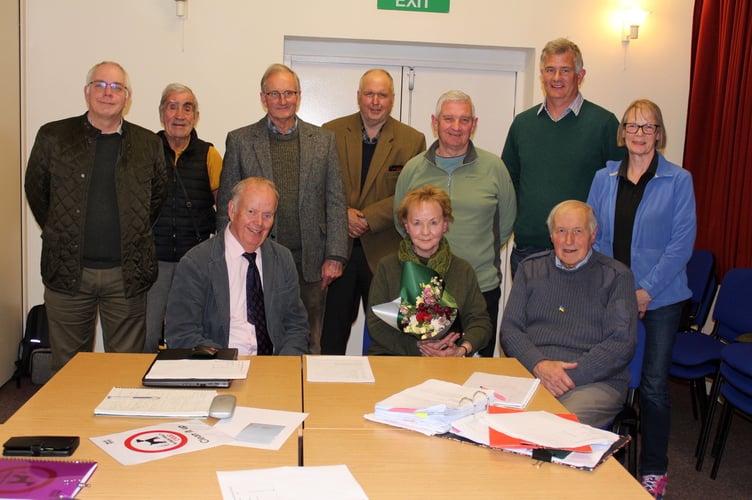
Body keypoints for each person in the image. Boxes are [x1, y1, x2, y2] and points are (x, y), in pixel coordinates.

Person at [24, 61, 167, 373]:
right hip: (68, 272)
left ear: (127, 97)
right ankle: (70, 422)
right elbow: (36, 191)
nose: (108, 93)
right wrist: (59, 230)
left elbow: (156, 197)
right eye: (100, 85)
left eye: (116, 87)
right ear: (87, 92)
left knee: (126, 368)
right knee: (68, 369)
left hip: (127, 274)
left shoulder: (148, 144)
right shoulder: (54, 137)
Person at [587, 99, 696, 499]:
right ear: (623, 133)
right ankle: (595, 455)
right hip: (612, 295)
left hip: (662, 299)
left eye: (648, 127)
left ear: (659, 134)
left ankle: (654, 470)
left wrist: (645, 291)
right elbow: (591, 233)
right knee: (603, 375)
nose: (639, 134)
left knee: (651, 386)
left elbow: (681, 244)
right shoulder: (604, 178)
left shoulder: (678, 180)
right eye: (632, 126)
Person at [217, 63, 348, 354]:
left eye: (288, 92)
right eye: (274, 93)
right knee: (256, 337)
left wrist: (335, 255)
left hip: (309, 263)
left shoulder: (324, 141)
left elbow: (336, 200)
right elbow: (227, 204)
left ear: (299, 96)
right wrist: (223, 256)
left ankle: (303, 397)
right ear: (263, 98)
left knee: (308, 341)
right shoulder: (240, 140)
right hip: (255, 259)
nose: (282, 100)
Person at [394, 90, 515, 357]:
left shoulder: (494, 168)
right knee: (425, 368)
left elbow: (505, 224)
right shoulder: (413, 169)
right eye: (449, 119)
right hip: (424, 291)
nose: (456, 127)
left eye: (464, 120)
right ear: (435, 121)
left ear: (474, 124)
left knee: (474, 371)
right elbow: (399, 220)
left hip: (481, 288)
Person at [500, 200, 637, 428]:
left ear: (593, 235)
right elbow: (510, 330)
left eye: (578, 231)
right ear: (552, 235)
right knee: (484, 415)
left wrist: (565, 377)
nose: (569, 240)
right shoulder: (530, 268)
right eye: (561, 231)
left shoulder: (617, 276)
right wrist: (540, 365)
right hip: (533, 372)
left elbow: (621, 344)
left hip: (593, 382)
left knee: (553, 427)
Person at [320, 69, 426, 355]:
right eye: (369, 93)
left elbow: (411, 196)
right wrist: (343, 214)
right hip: (336, 252)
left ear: (392, 99)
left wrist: (367, 217)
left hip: (384, 254)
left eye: (382, 95)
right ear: (358, 97)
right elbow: (317, 185)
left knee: (388, 340)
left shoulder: (412, 140)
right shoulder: (330, 132)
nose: (375, 101)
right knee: (331, 335)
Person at [501, 38, 625, 277]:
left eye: (565, 70)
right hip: (529, 251)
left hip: (581, 252)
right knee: (530, 316)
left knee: (579, 316)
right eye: (550, 70)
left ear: (580, 75)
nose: (556, 77)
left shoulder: (603, 123)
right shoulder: (523, 124)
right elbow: (509, 183)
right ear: (542, 74)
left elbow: (619, 188)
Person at [165, 177, 309, 355]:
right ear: (232, 211)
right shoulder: (196, 263)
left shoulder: (282, 259)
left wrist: (281, 366)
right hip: (218, 366)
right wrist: (226, 362)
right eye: (251, 212)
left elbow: (297, 327)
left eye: (267, 215)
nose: (259, 223)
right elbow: (181, 334)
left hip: (273, 367)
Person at [367, 185, 491, 357]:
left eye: (433, 222)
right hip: (395, 357)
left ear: (445, 225)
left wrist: (461, 349)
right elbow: (376, 324)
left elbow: (480, 322)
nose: (425, 232)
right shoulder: (387, 267)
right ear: (406, 226)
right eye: (417, 223)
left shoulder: (463, 270)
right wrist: (417, 347)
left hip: (449, 359)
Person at [145, 83, 223, 353]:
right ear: (161, 113)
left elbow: (224, 208)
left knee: (193, 333)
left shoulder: (210, 155)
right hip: (154, 261)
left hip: (196, 261)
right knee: (147, 333)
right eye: (172, 106)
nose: (180, 114)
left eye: (187, 107)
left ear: (196, 116)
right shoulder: (146, 150)